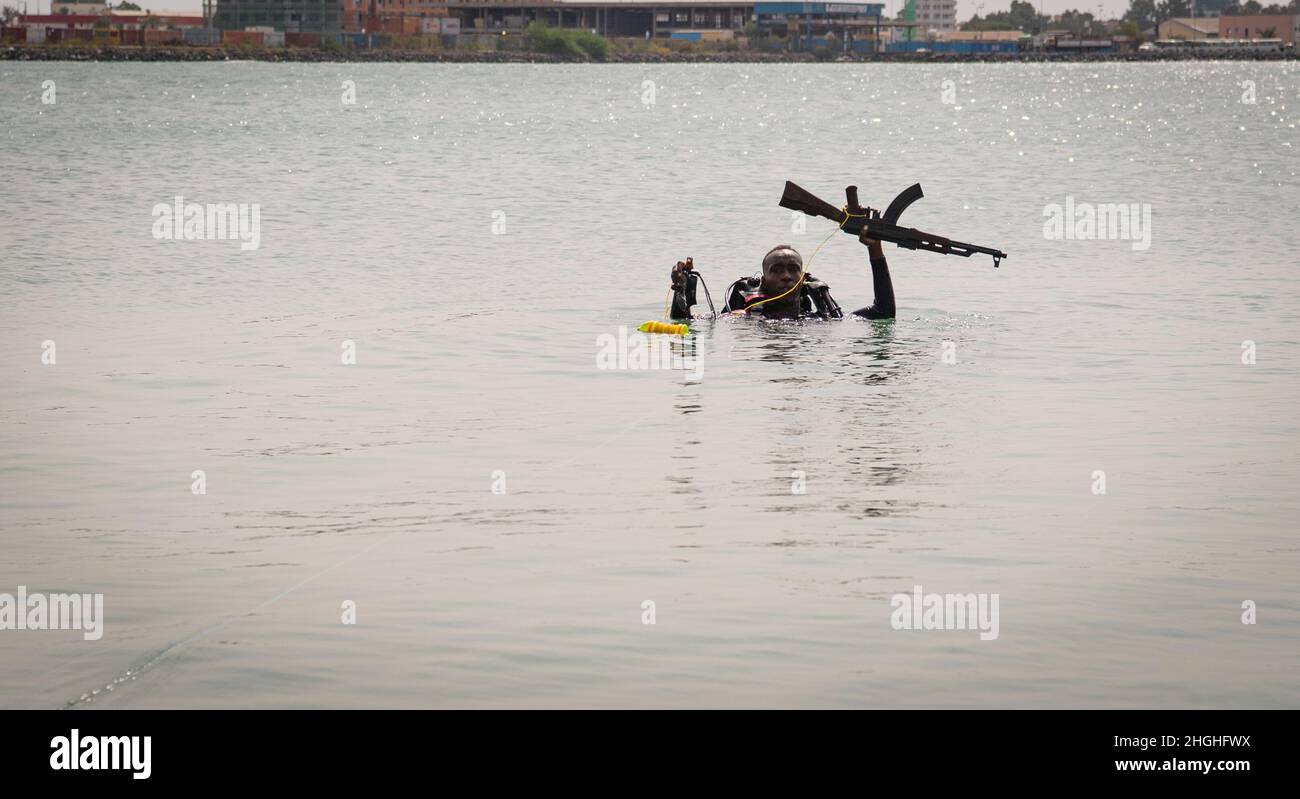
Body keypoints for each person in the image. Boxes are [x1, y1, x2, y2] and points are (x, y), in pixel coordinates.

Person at [668, 222, 895, 321]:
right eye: (777, 270)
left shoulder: (821, 320)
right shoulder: (740, 319)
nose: (786, 276)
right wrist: (682, 291)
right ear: (764, 281)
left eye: (793, 270)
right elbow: (685, 322)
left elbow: (883, 312)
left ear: (802, 279)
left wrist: (875, 250)